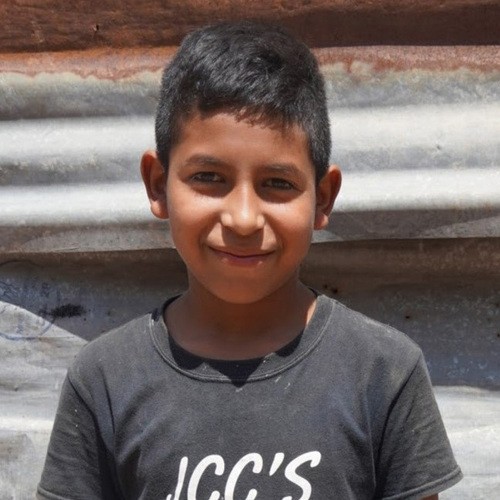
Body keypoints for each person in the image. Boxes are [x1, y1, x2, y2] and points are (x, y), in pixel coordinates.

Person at [37, 21, 462, 499]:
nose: (242, 219)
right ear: (158, 184)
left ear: (322, 199)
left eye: (277, 184)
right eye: (208, 177)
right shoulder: (105, 380)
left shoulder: (384, 373)